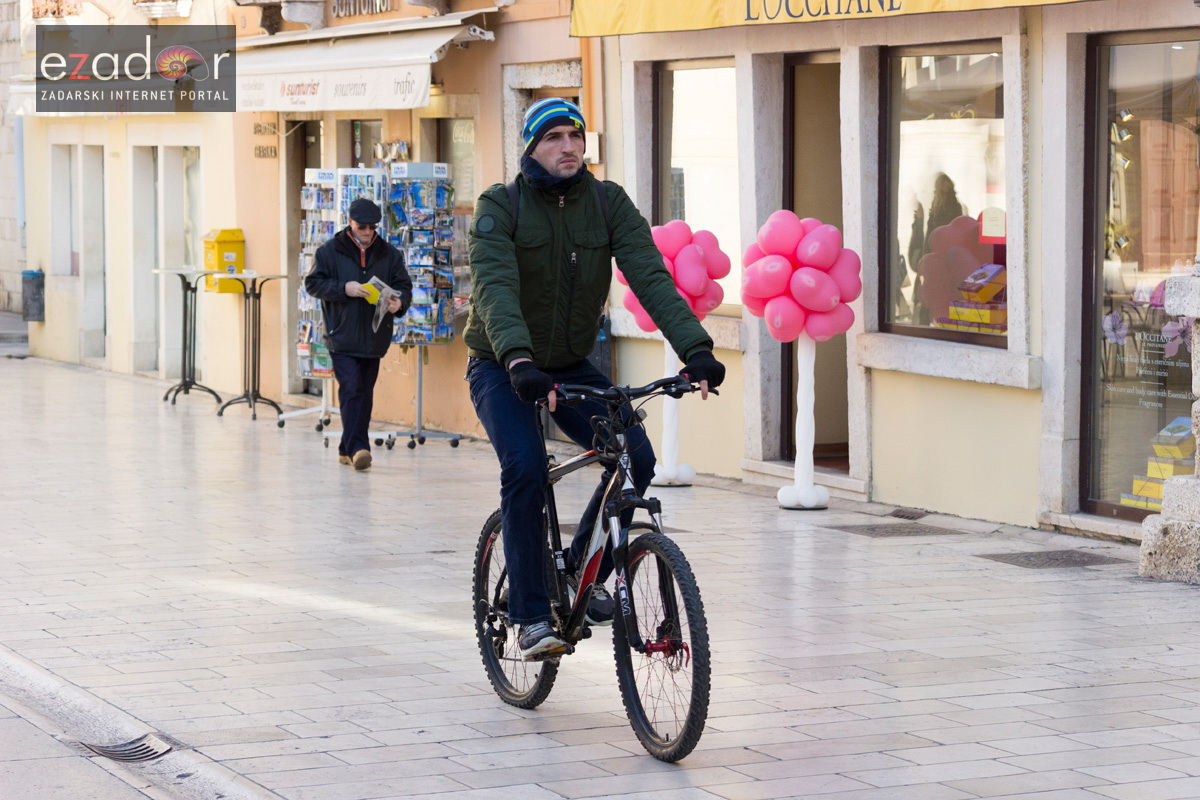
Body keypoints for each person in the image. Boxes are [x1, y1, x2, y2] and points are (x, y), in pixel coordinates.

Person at [465, 97, 726, 659]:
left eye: (575, 136)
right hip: (502, 365)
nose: (569, 146)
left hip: (569, 365)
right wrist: (518, 361)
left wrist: (696, 349)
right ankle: (531, 615)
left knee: (637, 457)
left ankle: (583, 573)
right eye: (554, 137)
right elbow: (495, 289)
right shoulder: (500, 206)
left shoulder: (608, 204)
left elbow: (651, 278)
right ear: (531, 147)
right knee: (526, 467)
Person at [304, 198, 412, 471]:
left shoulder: (389, 254)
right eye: (362, 226)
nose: (367, 232)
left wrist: (399, 302)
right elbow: (313, 284)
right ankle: (358, 448)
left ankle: (346, 448)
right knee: (351, 387)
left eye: (372, 227)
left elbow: (404, 285)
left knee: (363, 392)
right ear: (350, 222)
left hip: (375, 334)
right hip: (341, 334)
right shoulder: (329, 251)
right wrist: (345, 288)